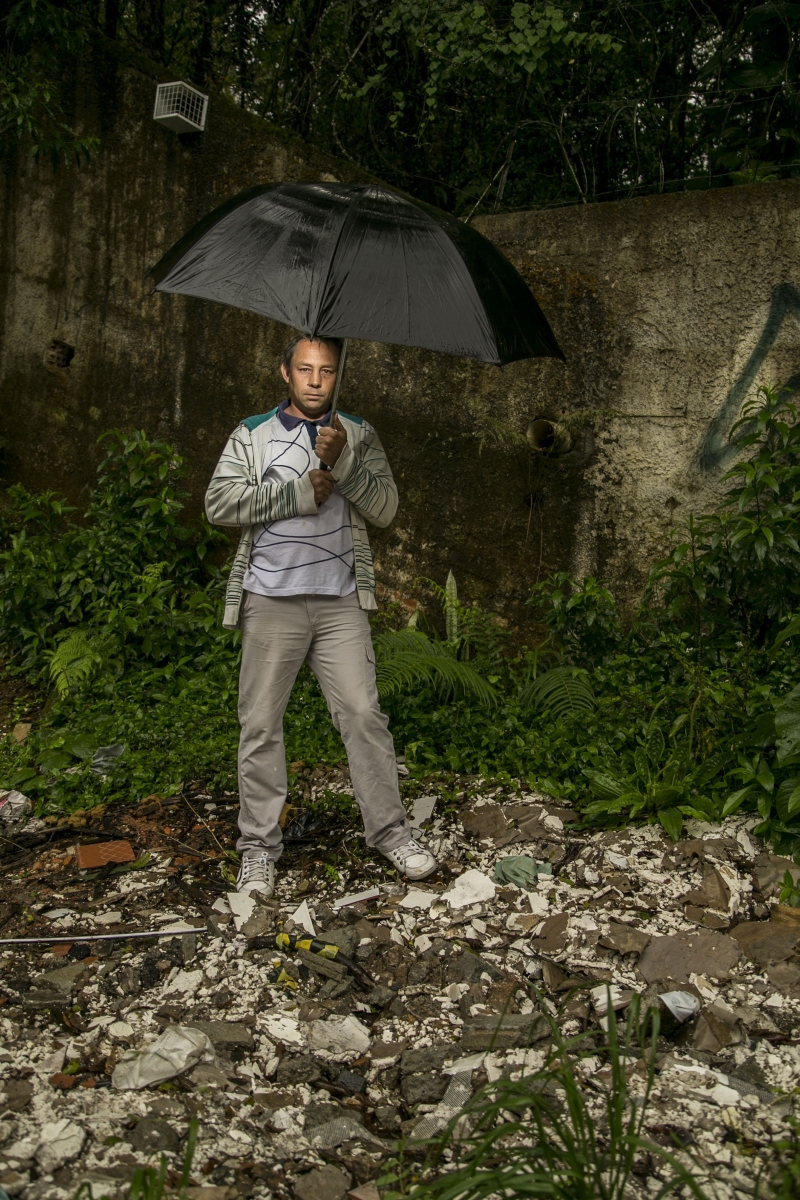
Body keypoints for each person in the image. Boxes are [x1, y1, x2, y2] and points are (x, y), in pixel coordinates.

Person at [205, 333, 438, 897]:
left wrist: (345, 463)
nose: (315, 380)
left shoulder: (357, 434)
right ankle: (259, 847)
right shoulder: (252, 434)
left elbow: (385, 511)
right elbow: (218, 504)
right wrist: (298, 490)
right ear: (284, 372)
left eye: (327, 371)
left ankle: (389, 833)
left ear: (338, 375)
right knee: (260, 725)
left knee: (363, 715)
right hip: (270, 600)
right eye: (305, 369)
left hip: (339, 603)